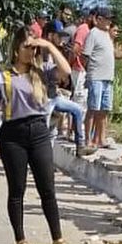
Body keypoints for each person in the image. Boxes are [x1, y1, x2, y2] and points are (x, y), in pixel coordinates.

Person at [0, 26, 71, 244]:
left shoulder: (43, 71)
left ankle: (57, 238)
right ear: (16, 49)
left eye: (34, 47)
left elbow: (67, 71)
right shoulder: (2, 76)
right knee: (17, 189)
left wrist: (49, 45)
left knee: (47, 188)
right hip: (12, 135)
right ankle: (20, 239)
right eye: (27, 47)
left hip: (39, 131)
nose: (31, 52)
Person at [45, 22, 88, 151]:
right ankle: (80, 144)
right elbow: (60, 73)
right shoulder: (45, 52)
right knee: (46, 131)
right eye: (59, 36)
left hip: (53, 94)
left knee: (76, 110)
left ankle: (80, 145)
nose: (61, 40)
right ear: (51, 35)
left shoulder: (56, 51)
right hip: (45, 97)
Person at [82, 9, 115, 150]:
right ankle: (87, 139)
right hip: (96, 76)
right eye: (107, 19)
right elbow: (85, 56)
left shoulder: (107, 35)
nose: (109, 22)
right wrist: (89, 72)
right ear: (99, 19)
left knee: (104, 109)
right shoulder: (93, 33)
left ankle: (100, 138)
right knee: (93, 108)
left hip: (108, 77)